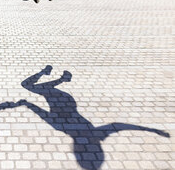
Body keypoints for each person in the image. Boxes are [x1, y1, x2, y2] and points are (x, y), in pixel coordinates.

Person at [19, 66, 170, 170]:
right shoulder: (69, 128)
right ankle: (57, 77)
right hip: (65, 99)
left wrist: (153, 130)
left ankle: (54, 75)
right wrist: (26, 104)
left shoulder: (96, 134)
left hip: (64, 99)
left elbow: (118, 125)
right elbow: (118, 125)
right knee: (36, 87)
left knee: (30, 86)